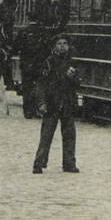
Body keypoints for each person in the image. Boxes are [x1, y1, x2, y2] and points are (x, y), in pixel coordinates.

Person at [32, 34, 81, 174]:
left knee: (70, 135)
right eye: (59, 43)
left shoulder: (72, 62)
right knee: (46, 135)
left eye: (65, 43)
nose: (62, 46)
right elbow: (41, 84)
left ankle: (69, 163)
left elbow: (78, 83)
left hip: (67, 103)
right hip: (51, 103)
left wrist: (73, 78)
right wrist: (41, 102)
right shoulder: (48, 62)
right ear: (54, 47)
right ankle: (39, 163)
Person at [14, 10, 49, 119]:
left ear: (29, 19)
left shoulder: (23, 31)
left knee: (27, 87)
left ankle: (28, 111)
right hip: (39, 64)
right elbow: (47, 49)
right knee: (39, 87)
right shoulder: (43, 32)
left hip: (26, 64)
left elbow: (16, 47)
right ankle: (38, 109)